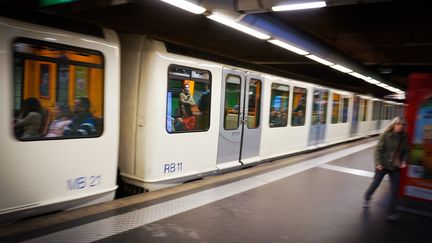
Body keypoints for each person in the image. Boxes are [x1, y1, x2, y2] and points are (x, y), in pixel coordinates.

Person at [364, 117, 408, 221]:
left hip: (395, 166)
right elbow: (377, 150)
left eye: (402, 125)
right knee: (375, 184)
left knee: (394, 190)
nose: (400, 126)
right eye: (398, 124)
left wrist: (404, 161)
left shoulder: (404, 136)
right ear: (394, 124)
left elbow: (406, 151)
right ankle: (367, 197)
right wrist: (378, 163)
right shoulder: (386, 134)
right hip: (383, 165)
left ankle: (391, 213)